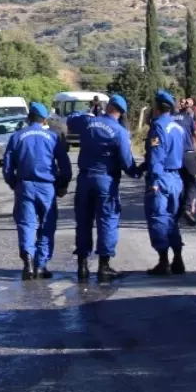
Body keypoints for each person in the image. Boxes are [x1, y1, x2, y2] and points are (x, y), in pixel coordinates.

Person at [68, 93, 138, 282]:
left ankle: (82, 266)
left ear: (108, 107)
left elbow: (71, 120)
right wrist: (137, 172)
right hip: (105, 181)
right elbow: (126, 161)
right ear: (121, 112)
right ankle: (103, 267)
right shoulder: (119, 131)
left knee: (83, 222)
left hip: (84, 179)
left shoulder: (89, 122)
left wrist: (89, 111)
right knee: (107, 220)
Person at [3, 101, 72, 280]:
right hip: (47, 187)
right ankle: (40, 265)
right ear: (44, 120)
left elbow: (7, 166)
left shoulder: (17, 136)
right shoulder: (53, 137)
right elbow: (65, 165)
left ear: (28, 118)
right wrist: (63, 185)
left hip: (24, 186)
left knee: (26, 224)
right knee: (46, 225)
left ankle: (27, 260)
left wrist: (13, 183)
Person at [140, 90, 187, 276]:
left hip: (162, 178)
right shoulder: (178, 127)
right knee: (172, 220)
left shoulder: (158, 126)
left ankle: (163, 261)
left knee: (159, 218)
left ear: (157, 107)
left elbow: (157, 156)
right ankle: (178, 258)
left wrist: (153, 180)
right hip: (176, 177)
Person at [176, 97, 196, 226]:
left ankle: (177, 212)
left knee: (178, 184)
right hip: (187, 154)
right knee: (194, 182)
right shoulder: (188, 118)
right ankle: (186, 209)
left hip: (172, 156)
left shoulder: (167, 119)